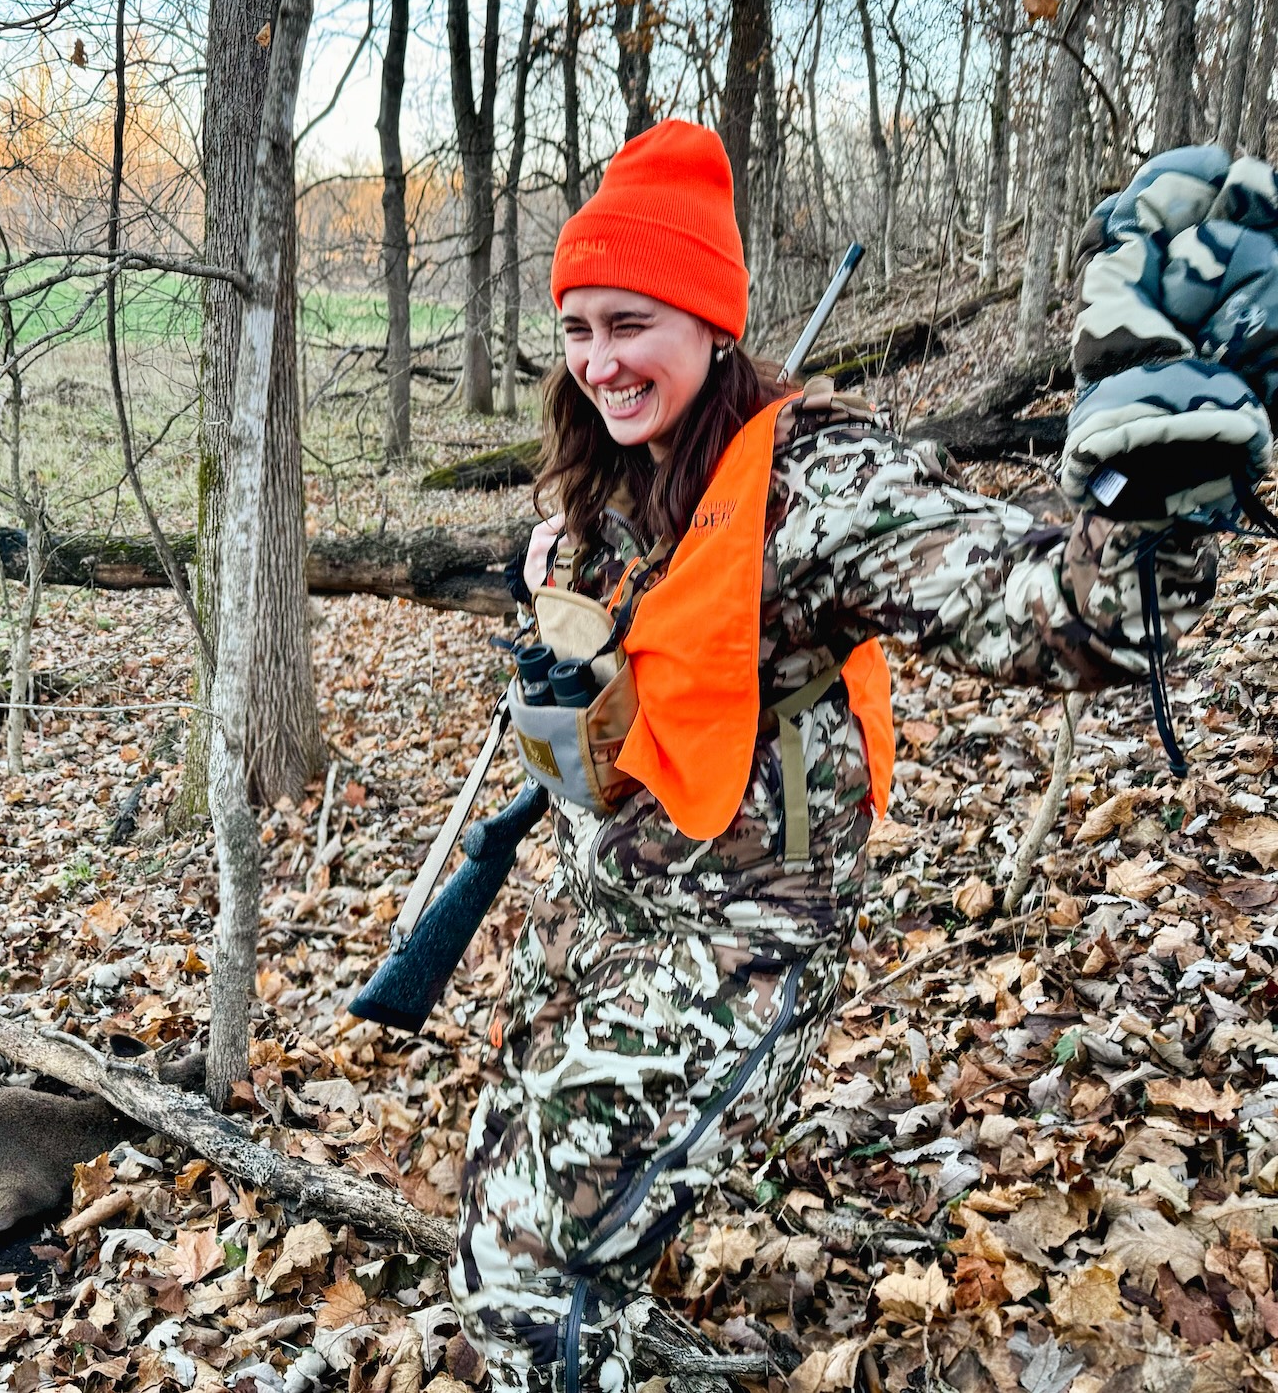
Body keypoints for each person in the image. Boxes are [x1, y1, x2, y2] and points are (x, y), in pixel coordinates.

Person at [447, 119, 1220, 1392]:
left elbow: (1055, 615)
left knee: (517, 1266)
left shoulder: (817, 484)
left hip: (736, 950)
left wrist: (1153, 503)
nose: (597, 362)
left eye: (629, 323)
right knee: (510, 1167)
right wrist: (556, 592)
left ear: (709, 321)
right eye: (577, 328)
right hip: (608, 905)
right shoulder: (611, 468)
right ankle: (636, 1354)